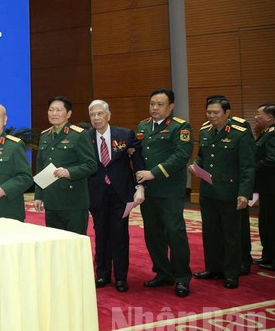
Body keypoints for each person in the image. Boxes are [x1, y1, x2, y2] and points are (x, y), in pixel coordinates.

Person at [188, 96, 255, 289]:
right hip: (208, 191)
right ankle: (213, 268)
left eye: (216, 112)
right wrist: (196, 166)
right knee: (211, 233)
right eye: (209, 112)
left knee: (231, 235)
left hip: (230, 192)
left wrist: (244, 193)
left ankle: (231, 273)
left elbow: (248, 167)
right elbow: (202, 155)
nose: (212, 116)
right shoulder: (205, 130)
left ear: (227, 112)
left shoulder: (240, 133)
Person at [135, 88, 193, 297]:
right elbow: (138, 154)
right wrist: (139, 183)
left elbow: (181, 156)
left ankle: (182, 277)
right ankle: (163, 272)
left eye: (160, 104)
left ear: (171, 107)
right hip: (149, 192)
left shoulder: (180, 127)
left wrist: (153, 173)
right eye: (152, 104)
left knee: (174, 233)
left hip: (169, 190)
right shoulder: (143, 126)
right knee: (153, 234)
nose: (155, 108)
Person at [87, 99, 146, 292]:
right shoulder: (85, 137)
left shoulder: (125, 135)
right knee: (101, 234)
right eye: (92, 115)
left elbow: (137, 161)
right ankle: (102, 274)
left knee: (120, 234)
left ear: (108, 115)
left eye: (100, 114)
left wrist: (140, 186)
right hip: (96, 193)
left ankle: (121, 277)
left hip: (121, 194)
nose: (96, 118)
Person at [33, 96, 97, 235]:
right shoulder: (45, 136)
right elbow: (40, 167)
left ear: (68, 114)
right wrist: (39, 195)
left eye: (58, 110)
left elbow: (91, 165)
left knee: (75, 242)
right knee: (55, 242)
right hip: (51, 200)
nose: (54, 113)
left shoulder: (78, 135)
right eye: (51, 110)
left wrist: (69, 172)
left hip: (73, 201)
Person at [254, 103, 275, 271]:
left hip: (272, 188)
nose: (256, 117)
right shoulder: (266, 133)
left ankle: (273, 259)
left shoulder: (272, 134)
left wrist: (252, 168)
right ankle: (268, 255)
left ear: (269, 117)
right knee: (266, 222)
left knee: (271, 223)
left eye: (259, 114)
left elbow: (272, 159)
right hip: (267, 188)